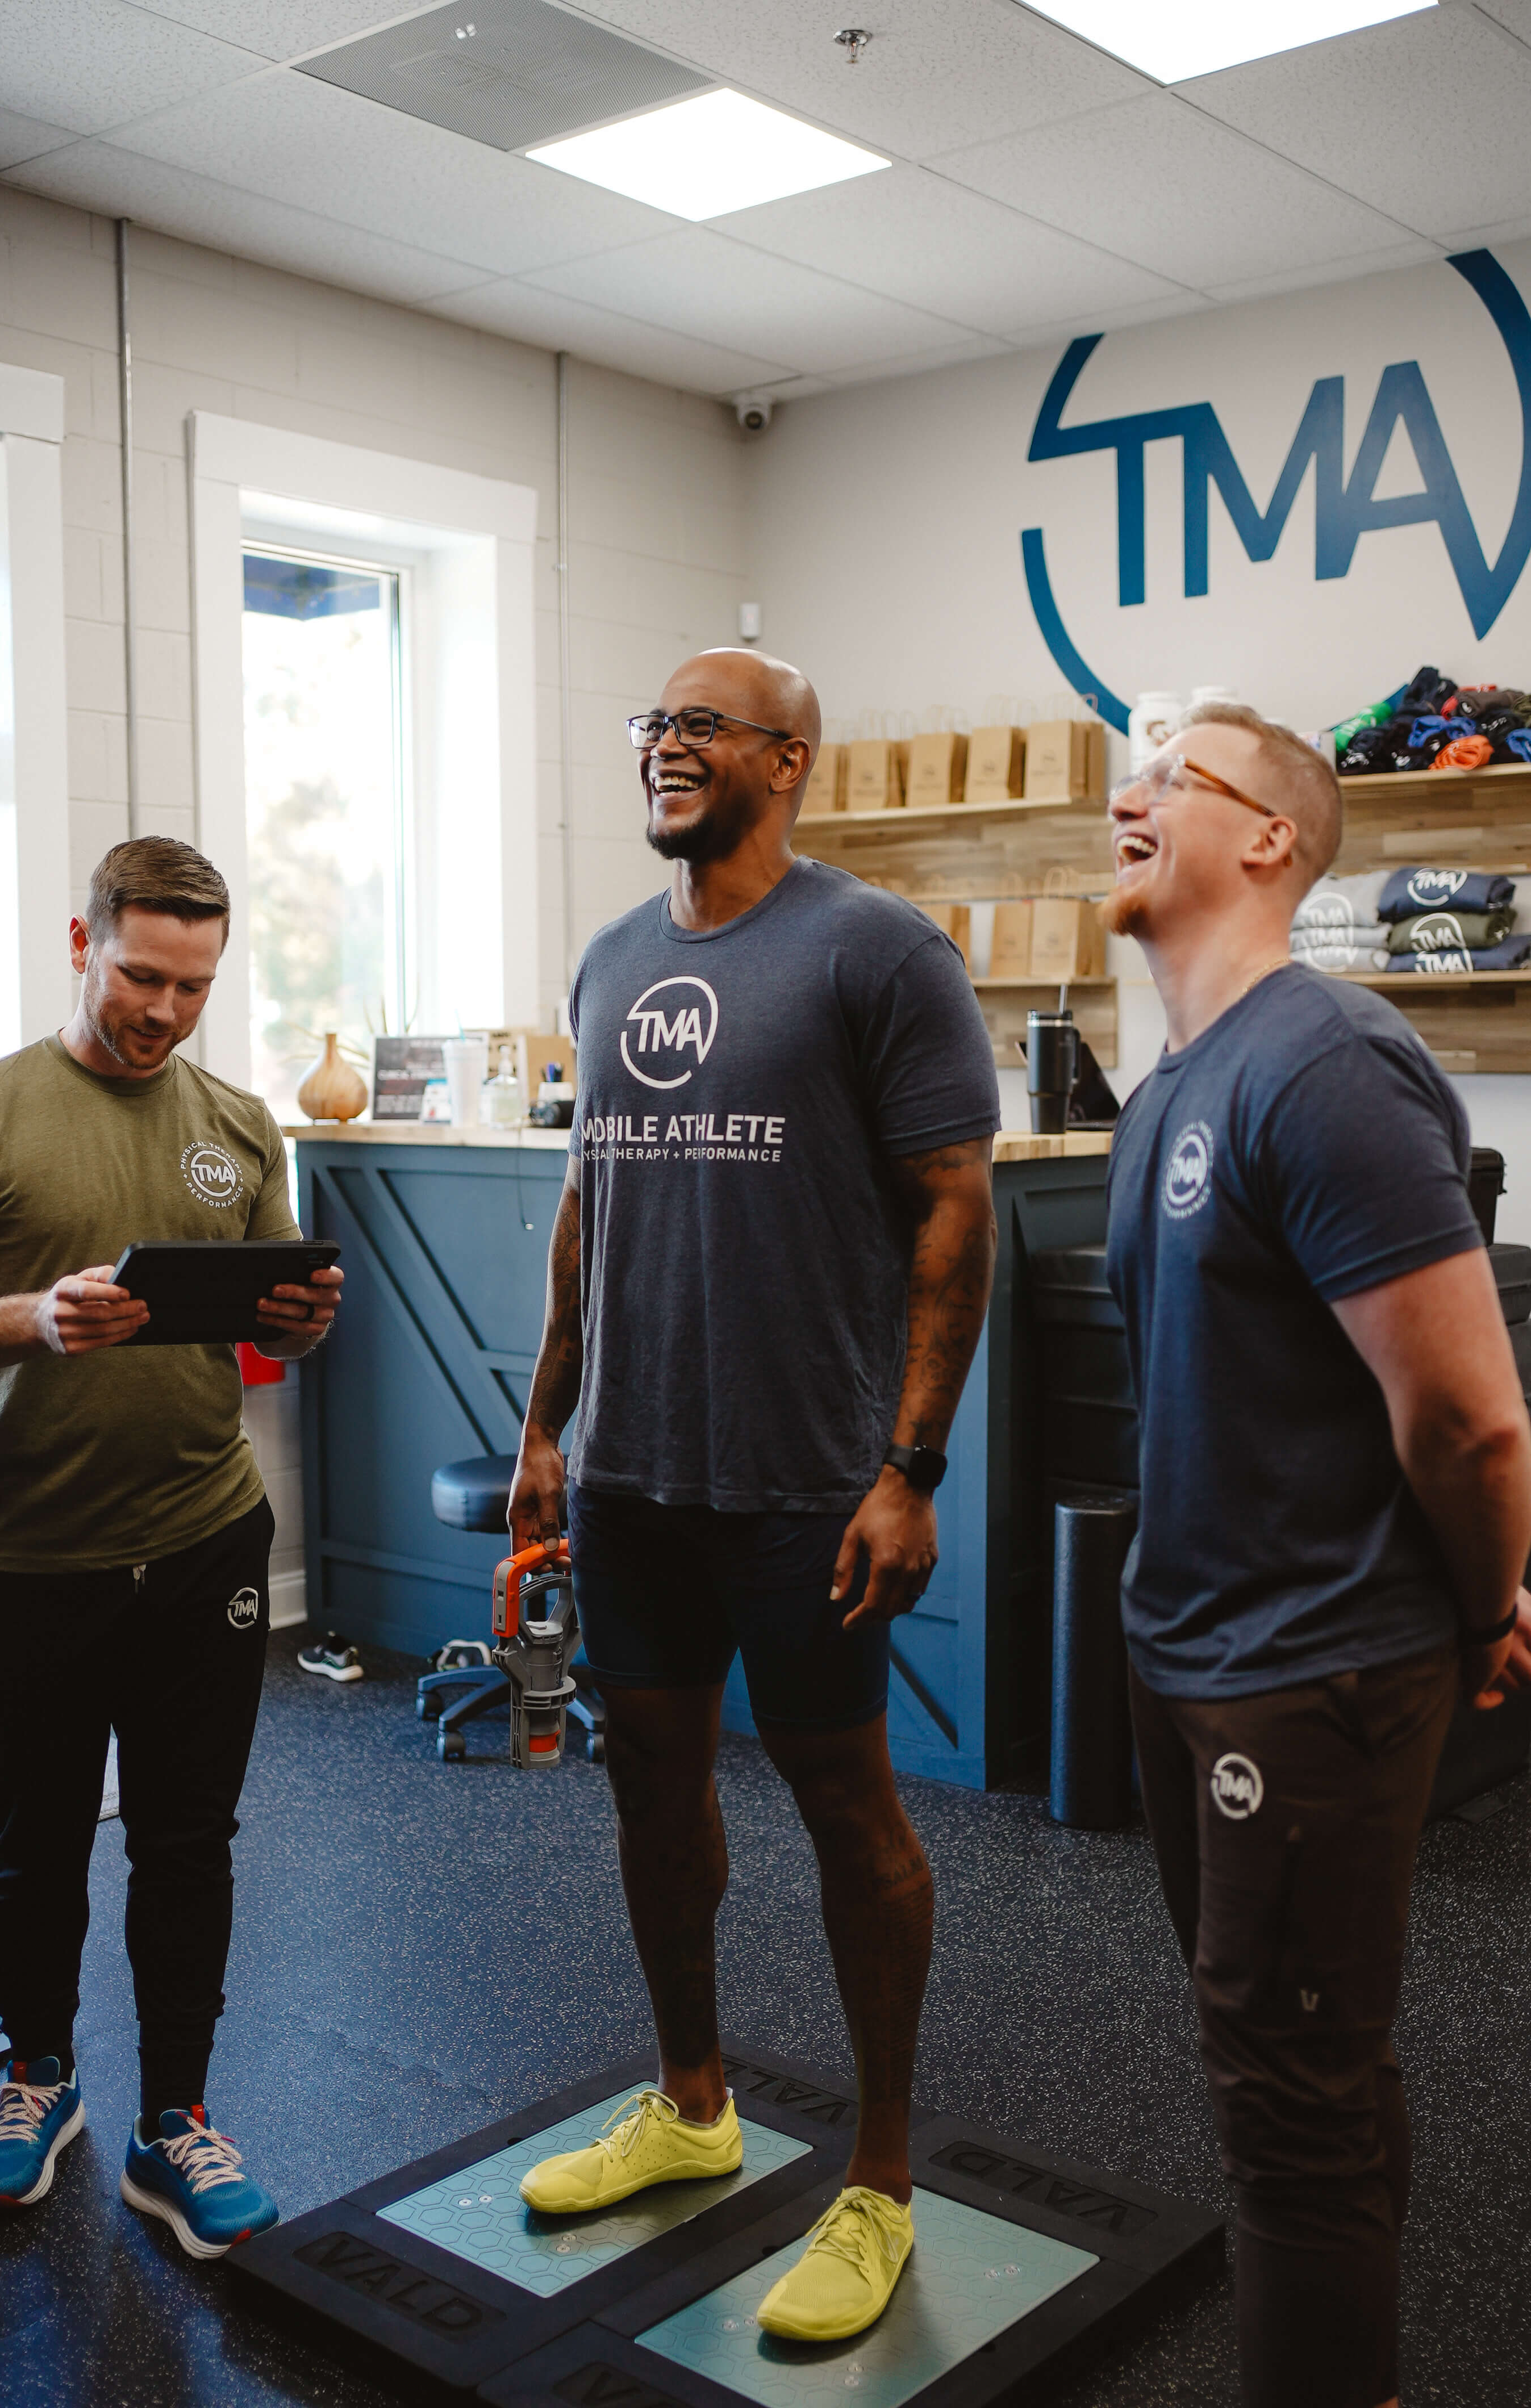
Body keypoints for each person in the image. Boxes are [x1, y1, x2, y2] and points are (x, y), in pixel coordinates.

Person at [507, 649, 1000, 2344]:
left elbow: (954, 1208)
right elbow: (589, 1203)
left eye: (699, 726)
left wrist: (912, 1466)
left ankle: (879, 2181)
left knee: (846, 1807)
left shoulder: (876, 951)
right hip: (636, 1470)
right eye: (650, 722)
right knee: (650, 1783)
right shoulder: (612, 957)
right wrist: (546, 1421)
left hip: (806, 1477)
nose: (663, 746)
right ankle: (695, 2104)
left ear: (788, 759)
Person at [1103, 703, 1531, 2408]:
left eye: (1171, 779)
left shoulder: (1323, 1058)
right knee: (1302, 2073)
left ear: (1268, 836)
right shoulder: (1174, 1087)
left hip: (1311, 1671)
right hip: (1194, 1656)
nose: (1128, 799)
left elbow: (1472, 1420)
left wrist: (1487, 1601)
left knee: (1289, 2115)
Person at [0, 838, 343, 2256]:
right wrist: (34, 1316)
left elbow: (271, 1301)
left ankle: (177, 2118)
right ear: (80, 940)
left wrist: (294, 1318)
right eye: (143, 972)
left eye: (195, 984)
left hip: (205, 1537)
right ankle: (40, 2079)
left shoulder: (238, 1118)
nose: (165, 1008)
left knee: (187, 1841)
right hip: (36, 1547)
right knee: (36, 1845)